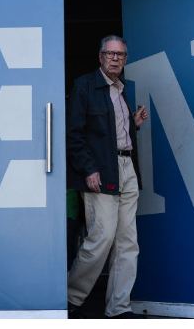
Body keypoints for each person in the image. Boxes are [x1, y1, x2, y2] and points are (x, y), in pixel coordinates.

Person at [66, 35, 148, 318]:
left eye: (121, 55)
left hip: (126, 170)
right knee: (101, 238)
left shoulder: (120, 91)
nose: (115, 58)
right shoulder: (85, 86)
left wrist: (132, 125)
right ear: (100, 57)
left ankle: (119, 308)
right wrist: (88, 168)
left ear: (125, 60)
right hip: (100, 171)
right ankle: (70, 298)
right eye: (110, 53)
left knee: (128, 242)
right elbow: (74, 135)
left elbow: (109, 133)